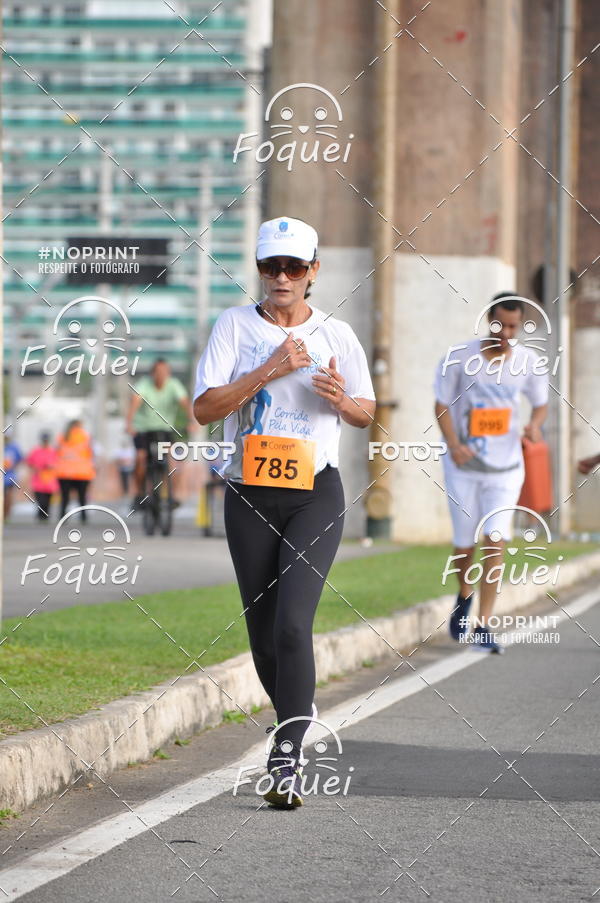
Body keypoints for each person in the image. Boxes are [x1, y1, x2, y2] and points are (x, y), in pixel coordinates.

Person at [193, 216, 376, 808]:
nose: (281, 277)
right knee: (264, 634)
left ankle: (287, 755)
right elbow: (203, 409)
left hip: (314, 492)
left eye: (293, 267)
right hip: (248, 493)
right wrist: (270, 370)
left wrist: (339, 398)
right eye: (271, 266)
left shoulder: (338, 333)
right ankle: (295, 713)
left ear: (313, 272)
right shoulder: (233, 326)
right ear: (260, 271)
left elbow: (365, 412)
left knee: (294, 622)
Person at [434, 292, 549, 654]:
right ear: (489, 320)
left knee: (495, 540)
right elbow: (441, 405)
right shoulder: (460, 358)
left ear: (520, 326)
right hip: (463, 466)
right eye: (499, 325)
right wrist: (453, 443)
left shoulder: (529, 362)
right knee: (465, 544)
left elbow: (541, 406)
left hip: (506, 468)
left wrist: (533, 425)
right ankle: (464, 595)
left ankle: (483, 623)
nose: (505, 333)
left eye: (513, 327)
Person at [125, 358, 195, 509]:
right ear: (152, 374)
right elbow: (135, 403)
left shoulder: (174, 385)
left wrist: (191, 421)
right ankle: (139, 494)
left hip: (165, 429)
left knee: (172, 460)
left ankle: (172, 495)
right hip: (143, 428)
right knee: (140, 457)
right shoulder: (144, 384)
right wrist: (128, 424)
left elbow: (185, 403)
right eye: (158, 372)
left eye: (165, 372)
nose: (162, 375)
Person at [56, 420, 95, 521]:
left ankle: (62, 517)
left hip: (64, 472)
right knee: (82, 497)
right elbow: (90, 452)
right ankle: (83, 517)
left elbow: (57, 453)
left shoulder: (62, 436)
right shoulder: (85, 436)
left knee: (65, 497)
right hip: (82, 472)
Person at [26, 431, 59, 520]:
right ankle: (40, 514)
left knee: (47, 500)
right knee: (41, 500)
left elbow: (58, 463)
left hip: (49, 481)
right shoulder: (36, 451)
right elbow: (29, 462)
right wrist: (35, 467)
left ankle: (45, 515)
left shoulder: (53, 451)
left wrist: (51, 466)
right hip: (38, 480)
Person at [3, 430, 23, 520]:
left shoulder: (13, 447)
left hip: (9, 476)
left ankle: (6, 515)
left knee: (8, 495)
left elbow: (20, 459)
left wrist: (13, 466)